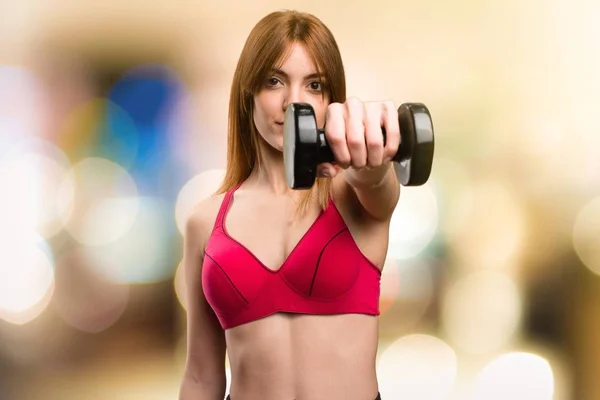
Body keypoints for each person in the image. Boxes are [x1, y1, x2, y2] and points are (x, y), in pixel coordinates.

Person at [179, 9, 401, 400]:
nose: (293, 103)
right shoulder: (204, 221)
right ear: (248, 92)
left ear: (333, 101)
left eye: (314, 85)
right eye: (274, 81)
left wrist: (370, 158)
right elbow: (201, 376)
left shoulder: (358, 197)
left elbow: (377, 180)